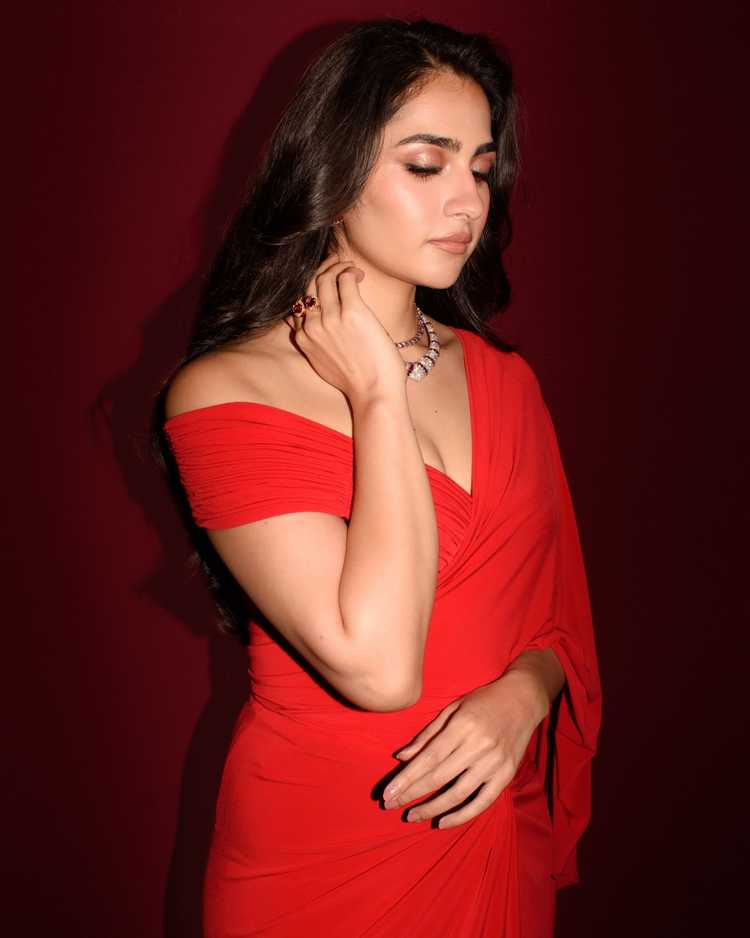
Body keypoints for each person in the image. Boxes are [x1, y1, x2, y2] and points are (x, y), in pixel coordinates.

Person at [152, 17, 602, 938]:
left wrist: (525, 694)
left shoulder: (507, 383)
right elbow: (381, 665)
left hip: (487, 826)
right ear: (334, 166)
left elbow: (560, 619)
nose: (467, 201)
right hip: (320, 855)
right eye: (426, 164)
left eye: (481, 168)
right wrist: (377, 394)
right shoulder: (224, 394)